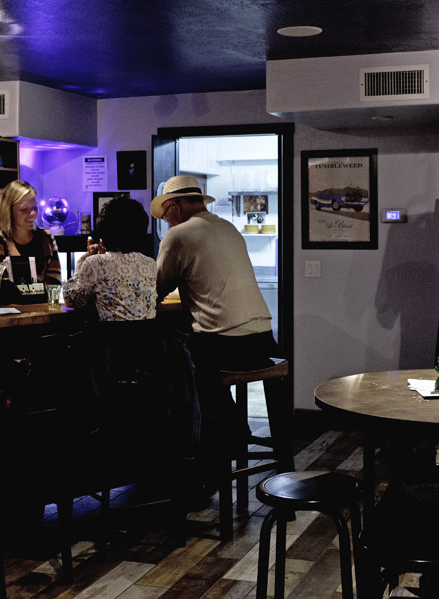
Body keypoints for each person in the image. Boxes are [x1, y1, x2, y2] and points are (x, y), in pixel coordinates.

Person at [152, 176, 286, 478]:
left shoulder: (178, 236)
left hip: (224, 345)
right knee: (196, 358)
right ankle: (241, 435)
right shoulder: (228, 227)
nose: (165, 222)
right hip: (264, 339)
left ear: (173, 207)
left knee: (182, 362)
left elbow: (155, 289)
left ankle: (211, 453)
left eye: (164, 215)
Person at [63, 194, 156, 321]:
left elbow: (71, 300)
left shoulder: (95, 263)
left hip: (110, 340)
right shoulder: (150, 263)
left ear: (104, 231)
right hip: (148, 339)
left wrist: (81, 262)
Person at [0, 180, 62, 285]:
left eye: (34, 208)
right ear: (9, 210)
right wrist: (37, 280)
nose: (33, 214)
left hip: (42, 302)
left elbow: (55, 283)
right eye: (24, 209)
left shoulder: (46, 236)